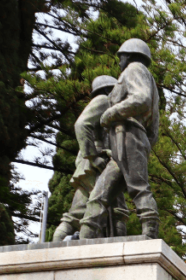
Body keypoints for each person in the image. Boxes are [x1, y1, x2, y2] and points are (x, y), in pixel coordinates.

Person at [79, 38, 160, 240]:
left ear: (129, 55)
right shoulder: (147, 78)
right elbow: (154, 129)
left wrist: (110, 114)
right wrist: (144, 143)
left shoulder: (134, 69)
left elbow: (141, 98)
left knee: (138, 187)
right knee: (100, 193)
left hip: (127, 134)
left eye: (121, 57)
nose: (119, 61)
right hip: (128, 138)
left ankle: (150, 233)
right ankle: (85, 236)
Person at [52, 76, 127, 241]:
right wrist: (93, 157)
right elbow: (81, 124)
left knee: (77, 212)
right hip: (98, 163)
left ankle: (56, 244)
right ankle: (120, 248)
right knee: (117, 210)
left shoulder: (108, 105)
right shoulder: (104, 100)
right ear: (108, 89)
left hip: (92, 163)